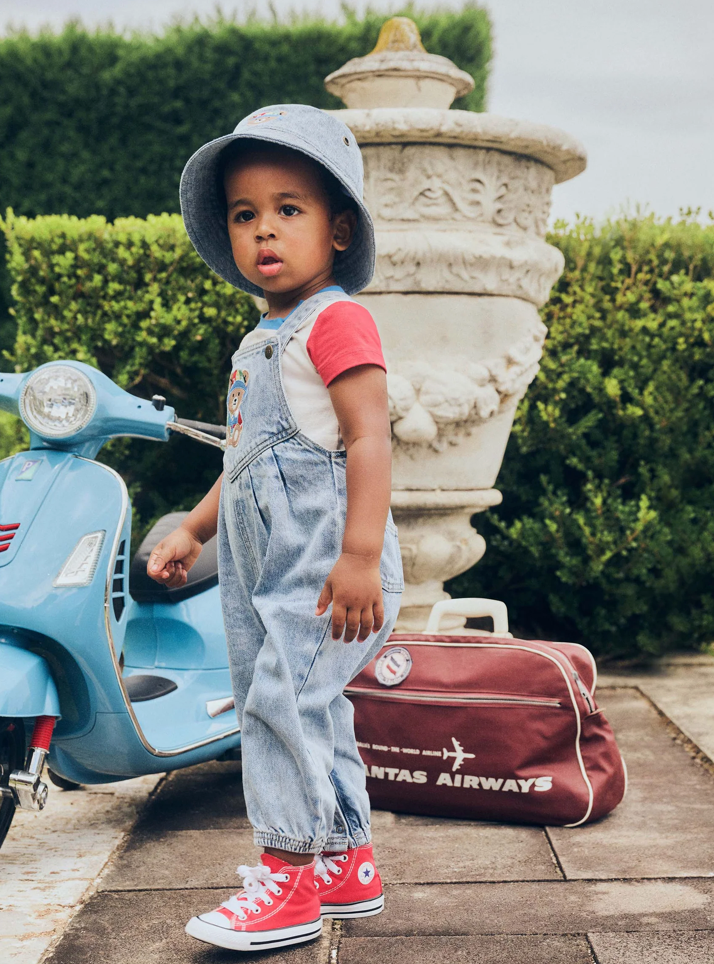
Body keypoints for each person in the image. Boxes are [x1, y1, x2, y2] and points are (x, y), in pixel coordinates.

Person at [147, 104, 403, 953]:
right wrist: (193, 526)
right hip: (272, 576)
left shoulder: (336, 321)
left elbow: (370, 436)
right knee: (309, 710)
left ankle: (289, 879)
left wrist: (361, 556)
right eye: (245, 213)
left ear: (336, 230)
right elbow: (247, 457)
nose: (264, 230)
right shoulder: (261, 339)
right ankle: (347, 864)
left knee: (277, 708)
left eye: (288, 209)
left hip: (331, 574)